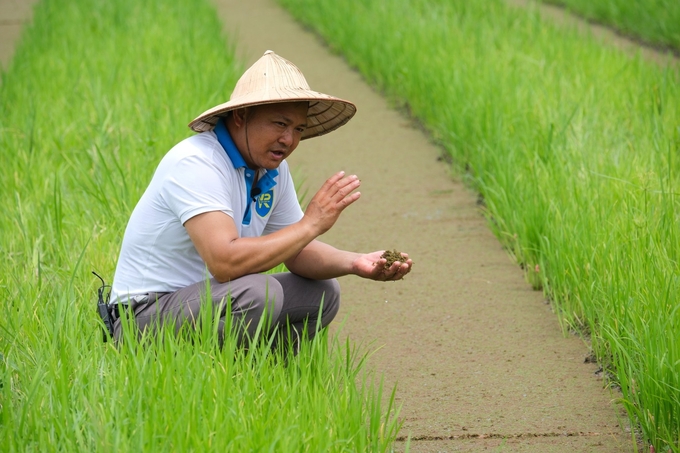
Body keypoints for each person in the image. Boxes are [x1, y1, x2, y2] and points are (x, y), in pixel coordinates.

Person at [109, 50, 413, 348]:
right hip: (142, 317)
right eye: (280, 124)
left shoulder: (272, 170)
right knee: (259, 292)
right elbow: (224, 262)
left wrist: (355, 262)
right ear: (240, 115)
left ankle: (260, 376)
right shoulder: (197, 162)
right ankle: (217, 376)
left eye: (298, 129)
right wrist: (311, 224)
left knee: (322, 293)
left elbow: (296, 252)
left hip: (202, 302)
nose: (289, 140)